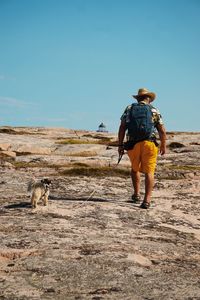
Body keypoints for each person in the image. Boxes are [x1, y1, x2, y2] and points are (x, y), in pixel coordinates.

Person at [118, 88, 166, 209]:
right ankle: (146, 200)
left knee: (135, 169)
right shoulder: (154, 110)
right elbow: (162, 130)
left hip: (132, 144)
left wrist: (120, 145)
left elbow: (122, 127)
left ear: (138, 98)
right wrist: (163, 145)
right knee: (149, 171)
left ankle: (136, 194)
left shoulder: (129, 109)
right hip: (149, 143)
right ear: (148, 98)